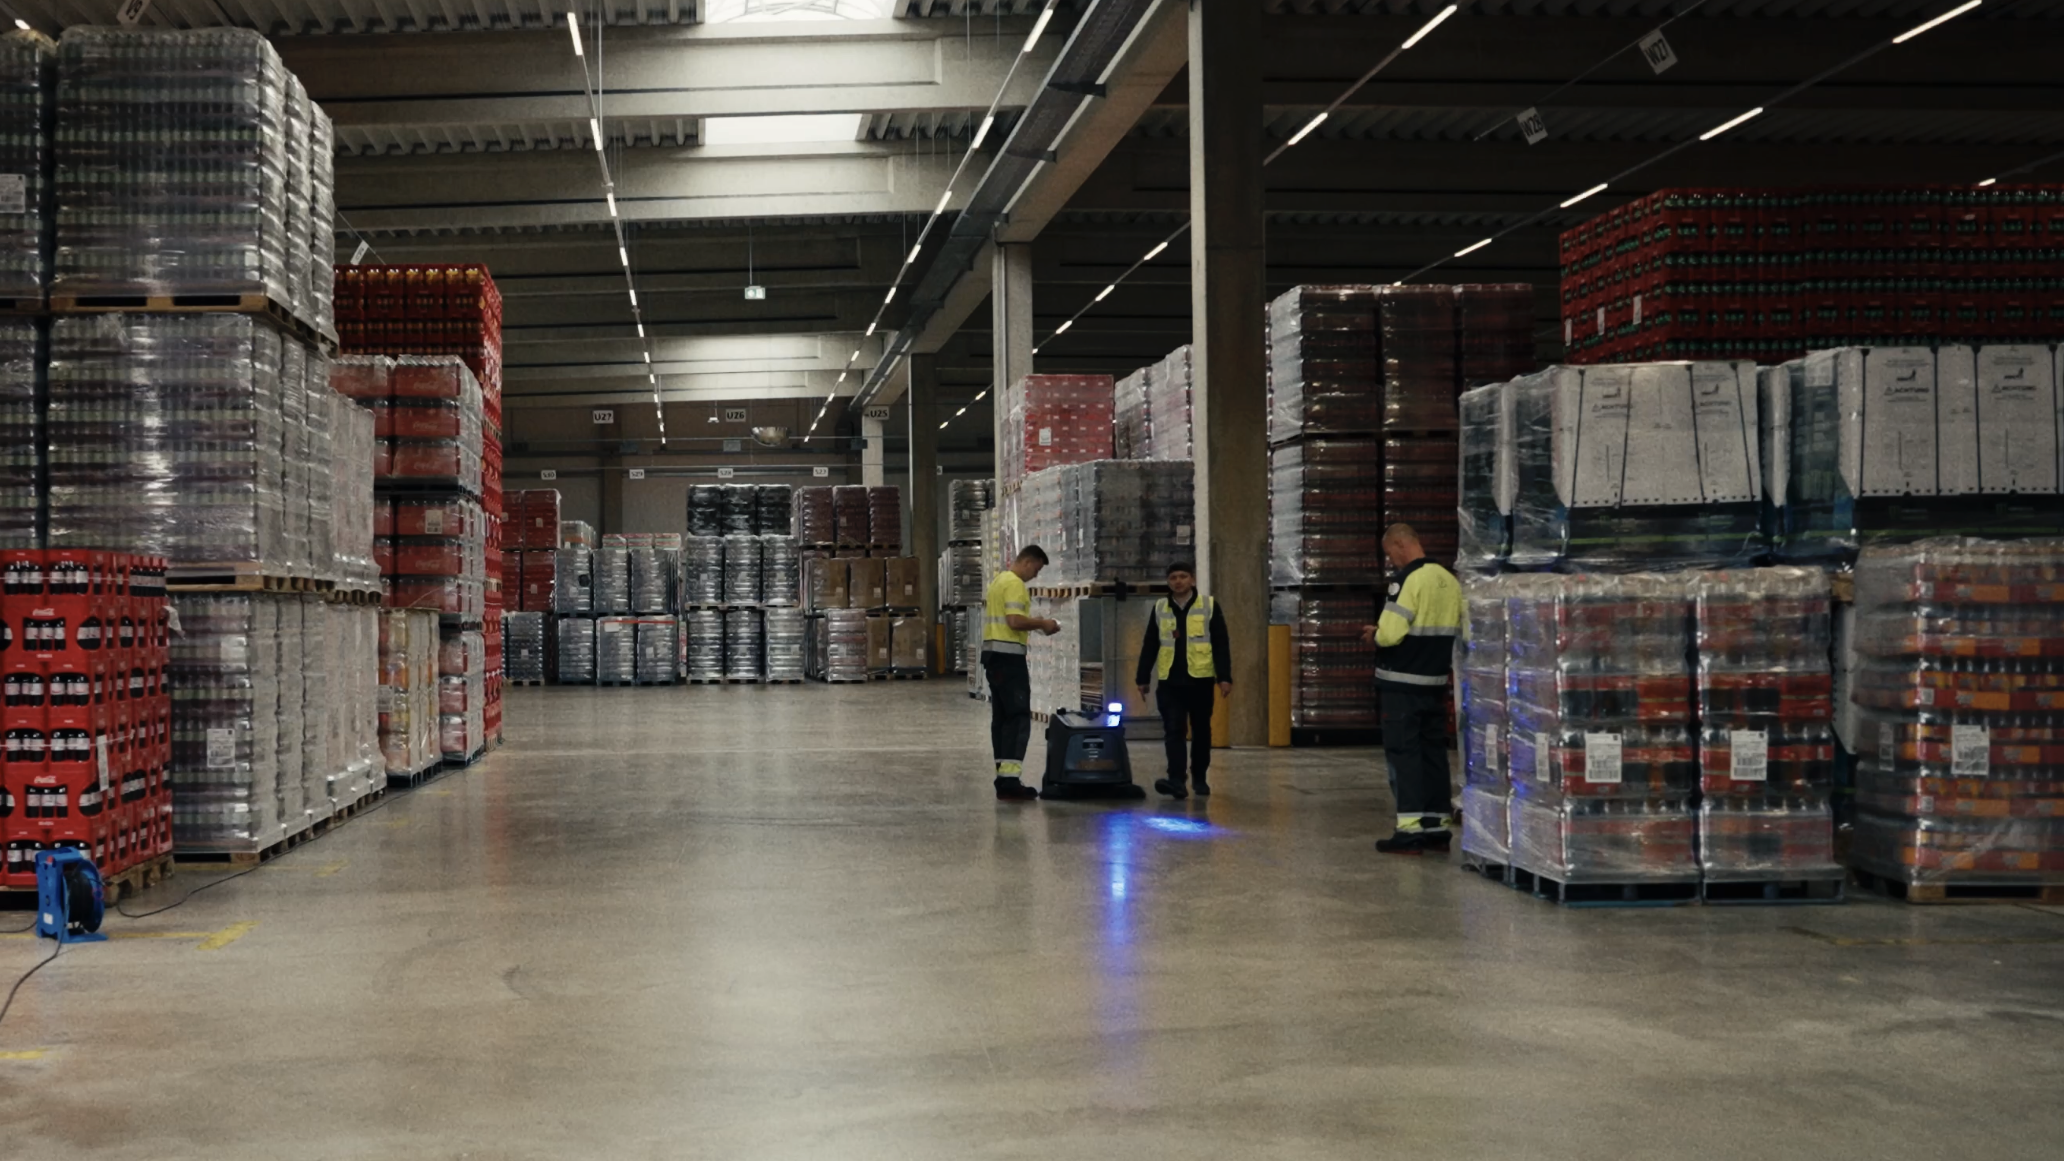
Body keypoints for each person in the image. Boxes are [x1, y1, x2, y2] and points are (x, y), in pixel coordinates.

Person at [1362, 523, 1463, 854]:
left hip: (1401, 683)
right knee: (1433, 754)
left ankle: (1409, 830)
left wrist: (1373, 635)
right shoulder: (1449, 580)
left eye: (1390, 552)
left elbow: (1390, 634)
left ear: (1401, 544)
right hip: (1435, 684)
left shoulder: (1405, 581)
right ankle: (1437, 827)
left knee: (1404, 755)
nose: (1391, 560)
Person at [1134, 561, 1231, 800]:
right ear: (1168, 582)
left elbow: (1221, 644)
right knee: (1174, 730)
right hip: (1170, 682)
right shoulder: (1160, 608)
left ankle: (1199, 777)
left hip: (1200, 681)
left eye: (1183, 577)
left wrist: (1225, 677)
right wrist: (1142, 677)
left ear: (1192, 580)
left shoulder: (1208, 606)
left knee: (1201, 731)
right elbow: (1150, 644)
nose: (1178, 581)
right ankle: (1176, 779)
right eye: (1173, 577)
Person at [982, 545, 1061, 801]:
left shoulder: (998, 581)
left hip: (994, 659)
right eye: (1036, 570)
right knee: (1017, 718)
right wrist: (1042, 624)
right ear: (1028, 561)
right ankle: (1011, 780)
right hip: (1008, 660)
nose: (1034, 576)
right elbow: (1014, 621)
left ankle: (1004, 777)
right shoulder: (1014, 583)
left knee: (1002, 719)